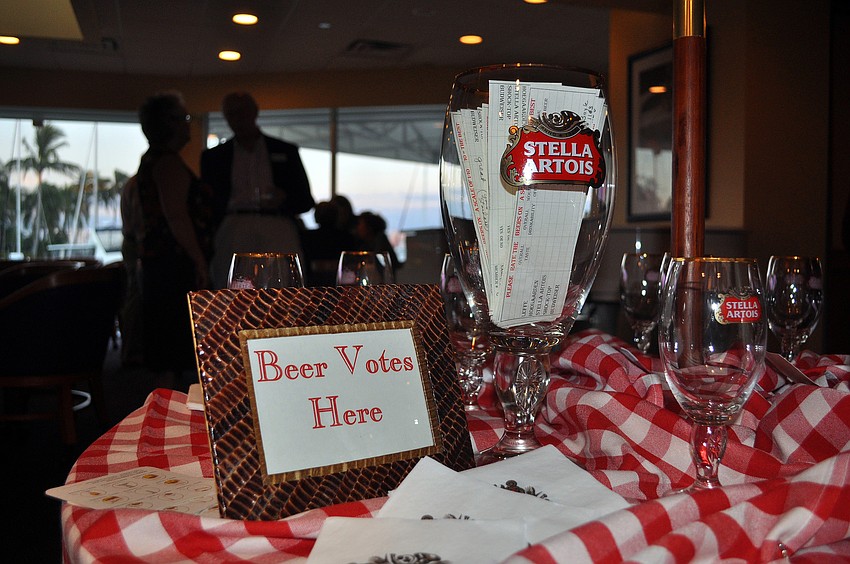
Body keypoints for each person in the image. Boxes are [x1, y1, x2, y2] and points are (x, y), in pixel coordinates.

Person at [136, 92, 213, 387]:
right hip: (172, 266)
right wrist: (199, 260)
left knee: (166, 344)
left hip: (161, 264)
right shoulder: (167, 163)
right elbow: (177, 217)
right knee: (171, 347)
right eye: (184, 118)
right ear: (168, 123)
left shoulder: (153, 160)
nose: (188, 125)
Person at [201, 92, 315, 288]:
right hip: (234, 226)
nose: (237, 118)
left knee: (284, 285)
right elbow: (207, 203)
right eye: (231, 114)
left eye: (241, 112)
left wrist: (284, 199)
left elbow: (305, 200)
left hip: (277, 224)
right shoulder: (214, 157)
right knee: (232, 286)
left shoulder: (285, 150)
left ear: (254, 112)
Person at [301, 200, 360, 286]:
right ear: (336, 216)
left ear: (316, 217)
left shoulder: (307, 237)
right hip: (341, 287)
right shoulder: (346, 238)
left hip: (313, 285)